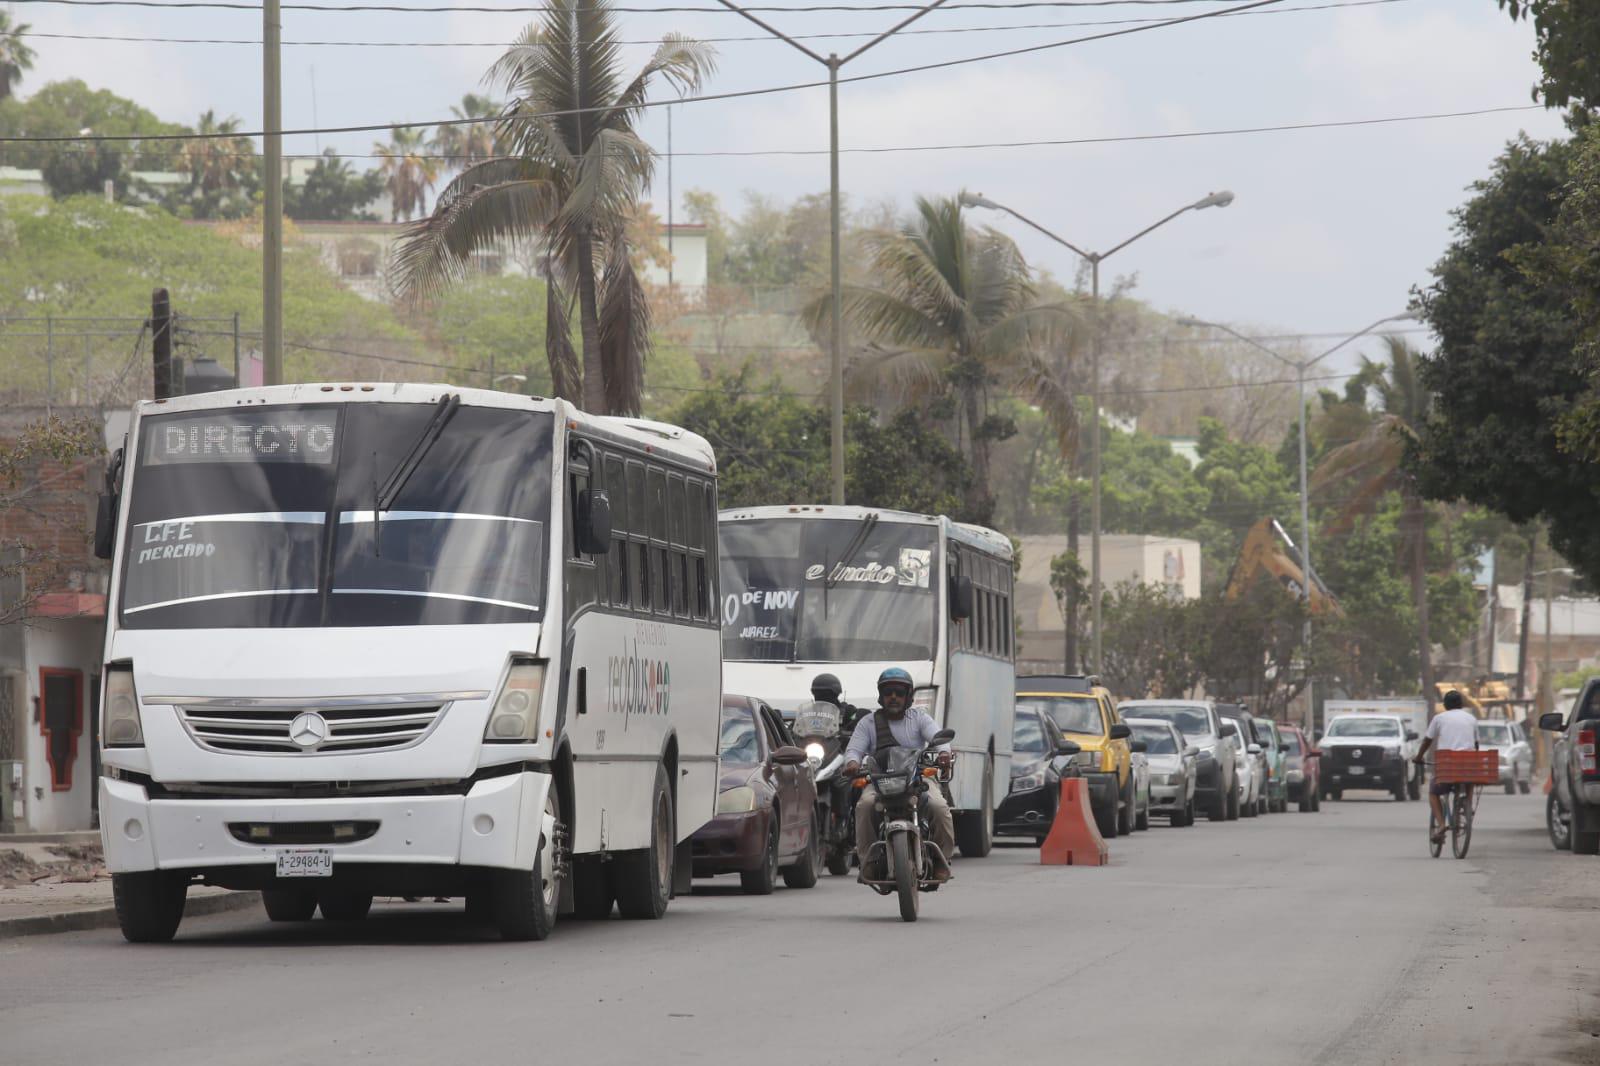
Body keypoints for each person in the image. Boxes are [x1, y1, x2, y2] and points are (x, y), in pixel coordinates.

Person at [842, 667, 955, 882]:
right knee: (864, 806)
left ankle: (942, 859)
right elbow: (854, 750)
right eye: (888, 692)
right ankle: (869, 861)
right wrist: (852, 763)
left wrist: (944, 755)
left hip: (917, 780)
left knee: (939, 807)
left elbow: (940, 740)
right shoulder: (867, 723)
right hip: (879, 781)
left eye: (899, 692)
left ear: (909, 697)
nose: (893, 697)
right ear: (881, 696)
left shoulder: (920, 718)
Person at [1414, 690, 1479, 844]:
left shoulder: (1439, 718)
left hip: (1447, 765)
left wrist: (1419, 757)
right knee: (1469, 777)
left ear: (1445, 705)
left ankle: (1442, 825)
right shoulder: (1471, 718)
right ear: (1461, 704)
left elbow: (1427, 740)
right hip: (1467, 765)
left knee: (1433, 792)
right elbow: (1476, 744)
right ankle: (1468, 805)